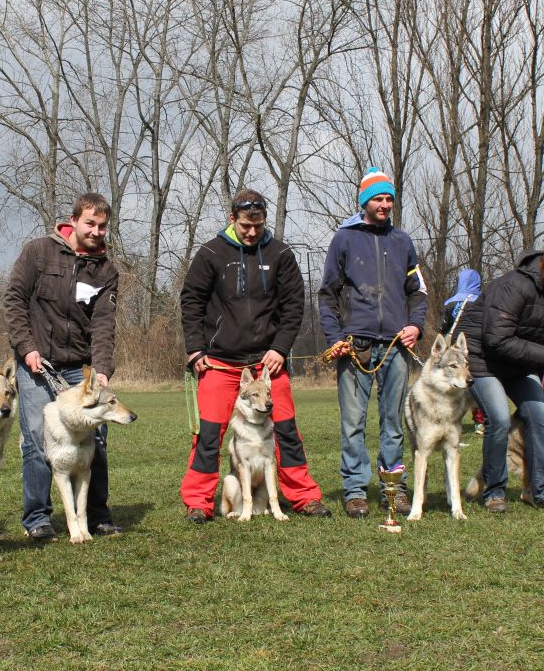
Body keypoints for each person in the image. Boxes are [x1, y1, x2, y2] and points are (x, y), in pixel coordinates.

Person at [178, 190, 331, 522]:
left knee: (287, 430)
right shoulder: (211, 253)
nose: (252, 232)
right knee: (208, 435)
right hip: (219, 361)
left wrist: (280, 348)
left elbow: (293, 306)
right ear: (233, 219)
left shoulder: (280, 254)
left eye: (258, 226)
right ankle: (198, 502)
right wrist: (195, 349)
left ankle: (303, 496)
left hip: (267, 363)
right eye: (246, 225)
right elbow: (191, 302)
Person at [4, 192, 121, 541]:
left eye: (102, 225)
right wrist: (26, 348)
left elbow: (104, 323)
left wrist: (101, 368)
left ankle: (97, 516)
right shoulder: (39, 252)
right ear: (72, 222)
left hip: (79, 370)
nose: (97, 231)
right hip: (36, 364)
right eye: (90, 223)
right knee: (39, 440)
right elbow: (14, 300)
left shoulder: (106, 270)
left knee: (96, 439)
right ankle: (37, 519)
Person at [318, 168, 427, 518]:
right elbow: (327, 296)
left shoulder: (403, 241)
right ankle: (354, 491)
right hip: (356, 346)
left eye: (388, 198)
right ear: (364, 202)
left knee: (393, 423)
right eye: (377, 199)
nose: (384, 205)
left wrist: (415, 326)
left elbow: (419, 292)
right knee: (353, 423)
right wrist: (336, 339)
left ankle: (393, 490)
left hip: (395, 346)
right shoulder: (344, 239)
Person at [472, 242, 544, 511]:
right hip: (483, 361)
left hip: (519, 365)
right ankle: (494, 491)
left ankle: (542, 489)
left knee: (539, 412)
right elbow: (496, 339)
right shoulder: (513, 286)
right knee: (498, 418)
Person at [442, 268, 487, 435]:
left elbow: (443, 327)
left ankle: (452, 420)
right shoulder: (482, 301)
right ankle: (480, 422)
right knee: (477, 384)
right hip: (477, 350)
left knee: (455, 386)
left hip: (454, 352)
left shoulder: (450, 303)